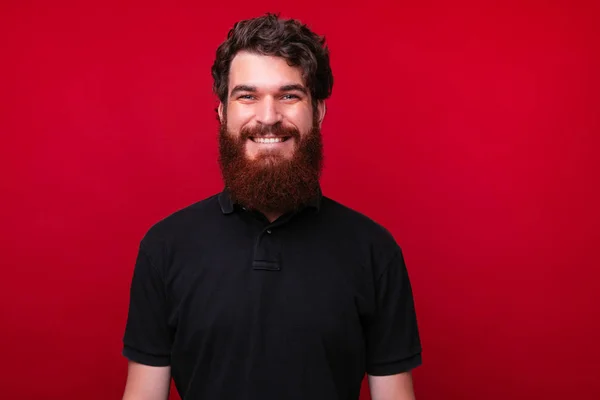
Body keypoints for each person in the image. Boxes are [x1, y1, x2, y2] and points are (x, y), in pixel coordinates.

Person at [121, 13, 422, 400]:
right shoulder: (164, 247)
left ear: (319, 111)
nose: (268, 117)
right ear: (221, 113)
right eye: (247, 96)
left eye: (289, 95)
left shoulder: (375, 250)